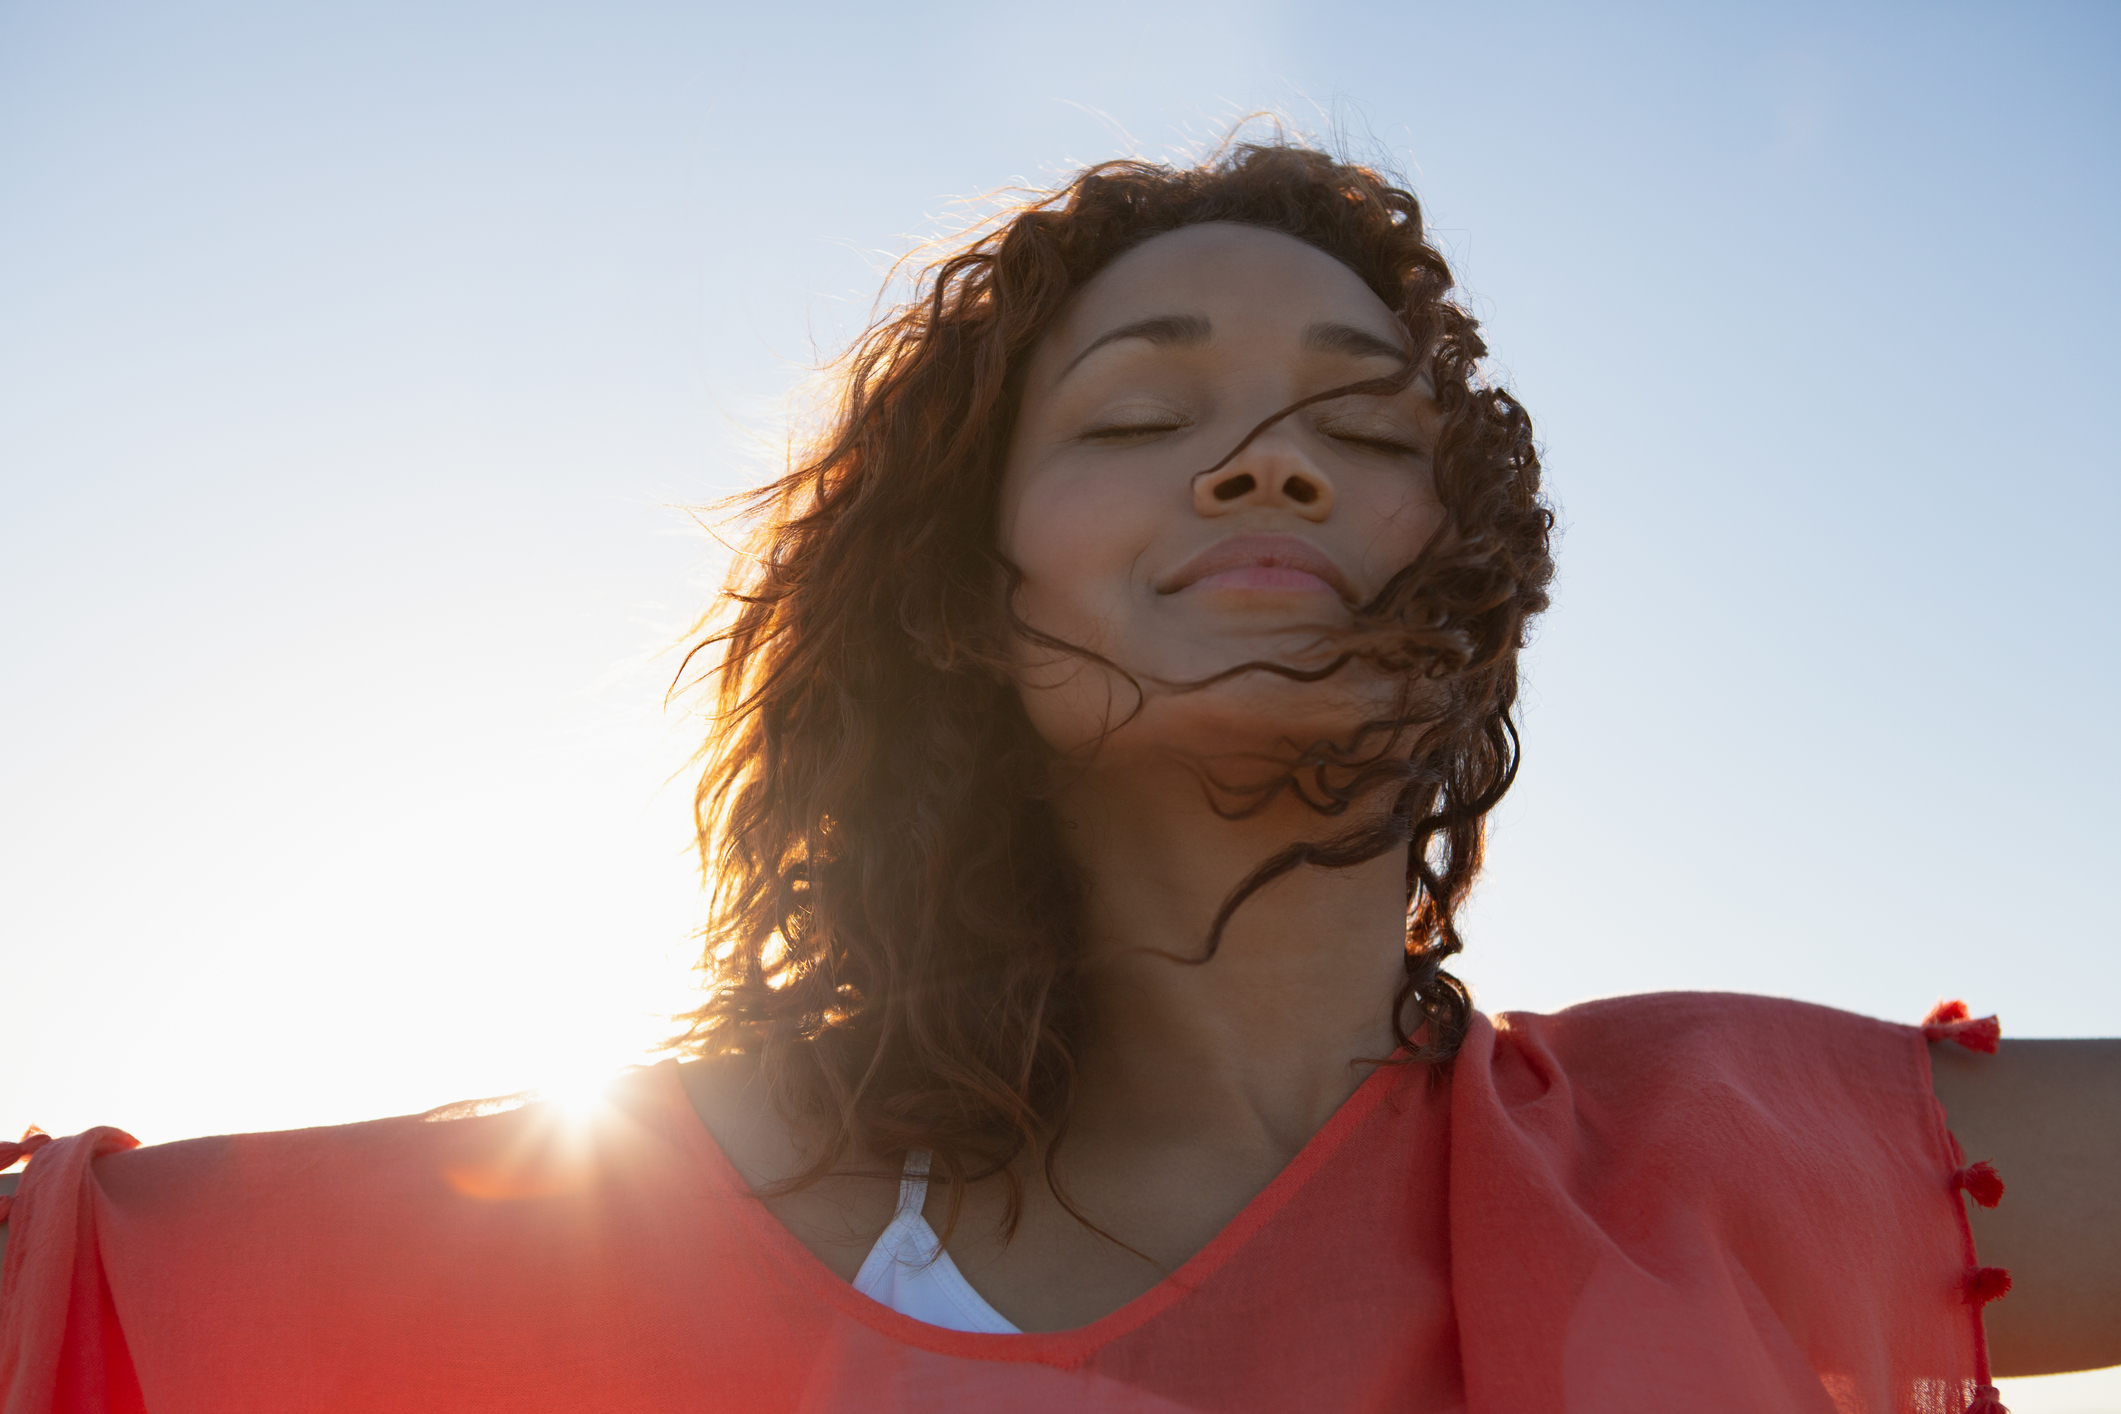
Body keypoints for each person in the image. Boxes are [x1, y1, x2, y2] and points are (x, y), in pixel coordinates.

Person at [2, 138, 2115, 1413]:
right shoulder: (590, 1221)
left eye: (1363, 428)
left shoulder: (1712, 1148)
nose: (1266, 453)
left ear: (1460, 571)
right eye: (1137, 409)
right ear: (958, 596)